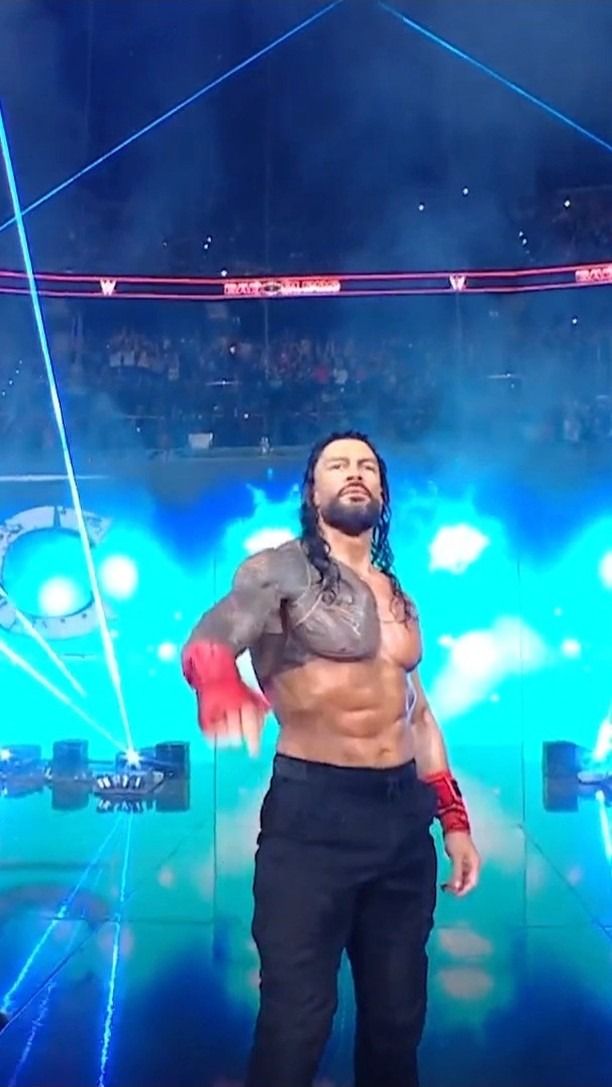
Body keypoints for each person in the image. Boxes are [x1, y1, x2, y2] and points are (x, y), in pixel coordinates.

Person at [182, 431, 480, 1087]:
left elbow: (419, 713)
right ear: (312, 490)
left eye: (367, 466)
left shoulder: (399, 597)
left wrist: (453, 817)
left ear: (381, 492)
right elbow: (213, 633)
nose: (355, 474)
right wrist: (217, 677)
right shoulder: (277, 571)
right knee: (297, 1021)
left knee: (398, 1022)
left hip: (402, 822)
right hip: (312, 820)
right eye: (337, 465)